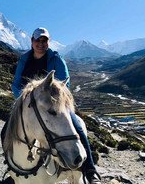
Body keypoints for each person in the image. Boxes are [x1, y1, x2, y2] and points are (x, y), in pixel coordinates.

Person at [10, 27, 101, 184]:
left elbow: (64, 84)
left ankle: (89, 171)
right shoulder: (24, 59)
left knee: (77, 126)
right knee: (7, 129)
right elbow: (16, 84)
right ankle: (11, 162)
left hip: (53, 103)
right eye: (38, 40)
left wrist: (52, 96)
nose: (40, 43)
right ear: (32, 42)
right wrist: (24, 100)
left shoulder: (56, 59)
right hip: (28, 104)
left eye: (44, 40)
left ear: (48, 42)